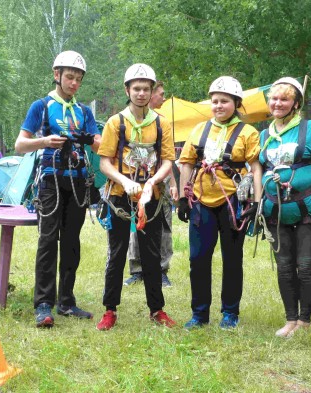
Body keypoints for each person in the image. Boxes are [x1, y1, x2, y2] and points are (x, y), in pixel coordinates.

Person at [15, 50, 100, 328]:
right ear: (57, 75)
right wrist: (45, 142)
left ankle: (66, 301)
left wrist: (96, 139)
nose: (74, 83)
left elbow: (98, 142)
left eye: (78, 79)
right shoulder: (40, 106)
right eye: (70, 77)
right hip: (50, 179)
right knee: (48, 240)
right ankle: (43, 304)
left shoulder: (84, 111)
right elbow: (20, 145)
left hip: (77, 180)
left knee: (72, 242)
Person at [96, 64, 176, 331]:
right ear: (127, 90)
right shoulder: (115, 123)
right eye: (136, 88)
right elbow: (105, 163)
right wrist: (125, 181)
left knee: (151, 254)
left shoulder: (161, 123)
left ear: (152, 91)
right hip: (120, 195)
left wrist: (153, 181)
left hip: (150, 197)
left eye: (146, 89)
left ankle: (157, 309)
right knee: (117, 253)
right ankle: (110, 310)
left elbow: (167, 161)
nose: (141, 93)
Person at [177, 76, 262, 330]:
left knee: (232, 258)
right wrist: (183, 197)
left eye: (224, 101)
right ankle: (200, 313)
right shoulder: (199, 130)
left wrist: (256, 201)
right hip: (201, 202)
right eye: (214, 101)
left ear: (236, 103)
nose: (218, 106)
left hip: (233, 203)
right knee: (198, 258)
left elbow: (256, 167)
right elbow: (186, 163)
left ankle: (230, 312)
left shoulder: (248, 132)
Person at [258, 77, 311, 338]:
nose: (278, 103)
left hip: (307, 210)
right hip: (276, 211)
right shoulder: (265, 134)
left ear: (296, 103)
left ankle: (305, 321)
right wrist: (257, 197)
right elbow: (260, 167)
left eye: (284, 99)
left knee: (305, 265)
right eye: (274, 98)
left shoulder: (309, 128)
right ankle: (290, 319)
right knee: (283, 266)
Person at [124, 80, 177, 287]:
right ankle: (137, 269)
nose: (163, 98)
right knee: (134, 225)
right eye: (160, 94)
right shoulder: (126, 122)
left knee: (163, 226)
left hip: (158, 185)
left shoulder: (163, 123)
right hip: (133, 183)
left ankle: (160, 269)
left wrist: (173, 184)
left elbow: (168, 158)